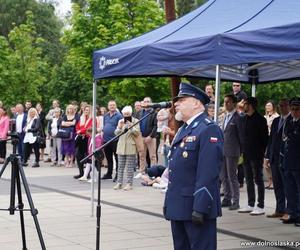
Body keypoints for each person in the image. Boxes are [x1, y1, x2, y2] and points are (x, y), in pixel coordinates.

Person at [164, 82, 224, 250]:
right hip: (179, 206)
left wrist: (200, 207)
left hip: (196, 207)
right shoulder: (185, 129)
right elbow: (180, 165)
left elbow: (208, 172)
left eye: (182, 100)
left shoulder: (208, 129)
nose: (176, 104)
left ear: (197, 103)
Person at [238, 97, 268, 215]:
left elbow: (264, 139)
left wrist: (262, 153)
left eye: (245, 104)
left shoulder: (260, 120)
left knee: (258, 179)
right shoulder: (244, 118)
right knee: (248, 180)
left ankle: (260, 205)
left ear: (250, 105)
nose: (243, 105)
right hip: (246, 153)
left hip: (256, 154)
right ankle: (250, 204)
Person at [265, 99, 289, 219]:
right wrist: (268, 156)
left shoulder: (291, 120)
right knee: (278, 185)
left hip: (285, 158)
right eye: (280, 106)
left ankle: (289, 210)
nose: (282, 108)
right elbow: (271, 140)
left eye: (284, 106)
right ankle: (280, 209)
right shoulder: (276, 121)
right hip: (274, 157)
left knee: (287, 185)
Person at [220, 94, 243, 210]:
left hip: (233, 150)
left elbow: (241, 136)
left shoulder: (238, 118)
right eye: (225, 102)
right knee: (223, 175)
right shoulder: (225, 116)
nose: (226, 104)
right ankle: (227, 198)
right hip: (223, 150)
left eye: (228, 102)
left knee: (232, 176)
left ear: (234, 103)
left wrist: (241, 151)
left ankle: (236, 200)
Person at [281, 97, 300, 227]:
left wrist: (291, 136)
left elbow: (294, 139)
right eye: (292, 109)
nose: (294, 111)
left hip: (298, 162)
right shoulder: (289, 120)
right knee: (290, 190)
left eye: (297, 109)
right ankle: (292, 213)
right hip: (288, 161)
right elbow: (285, 137)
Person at [113, 106, 140, 191]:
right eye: (124, 114)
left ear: (131, 114)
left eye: (127, 114)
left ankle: (129, 184)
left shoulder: (136, 121)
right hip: (121, 146)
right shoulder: (120, 121)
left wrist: (131, 126)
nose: (126, 116)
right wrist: (119, 127)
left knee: (129, 167)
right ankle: (119, 183)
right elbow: (116, 133)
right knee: (120, 166)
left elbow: (137, 133)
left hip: (130, 146)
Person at [102, 100, 122, 181]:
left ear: (116, 106)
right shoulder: (105, 116)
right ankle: (109, 174)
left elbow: (120, 128)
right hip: (106, 140)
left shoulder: (119, 116)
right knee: (108, 158)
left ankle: (118, 175)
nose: (112, 106)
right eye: (110, 105)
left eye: (113, 105)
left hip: (115, 140)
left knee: (117, 158)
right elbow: (104, 126)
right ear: (108, 106)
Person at [263, 100, 279, 190]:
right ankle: (270, 180)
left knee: (269, 162)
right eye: (267, 105)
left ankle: (273, 181)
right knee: (265, 163)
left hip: (272, 139)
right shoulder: (264, 117)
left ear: (273, 106)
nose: (268, 107)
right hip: (265, 139)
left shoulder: (276, 117)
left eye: (269, 105)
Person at [74, 105, 92, 179]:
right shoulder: (81, 118)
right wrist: (79, 131)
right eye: (85, 110)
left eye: (87, 110)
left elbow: (89, 128)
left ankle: (87, 173)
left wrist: (80, 131)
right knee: (78, 156)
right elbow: (77, 126)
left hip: (88, 138)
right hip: (80, 138)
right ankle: (81, 173)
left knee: (88, 157)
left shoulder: (92, 119)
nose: (86, 111)